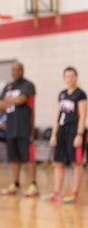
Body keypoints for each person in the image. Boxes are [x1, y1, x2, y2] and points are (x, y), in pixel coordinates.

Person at [42, 67, 87, 204]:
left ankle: (74, 192)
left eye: (72, 76)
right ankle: (56, 192)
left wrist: (79, 134)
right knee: (58, 162)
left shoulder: (80, 94)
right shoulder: (62, 94)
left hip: (74, 130)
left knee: (76, 162)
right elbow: (58, 115)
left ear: (76, 77)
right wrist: (54, 135)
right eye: (67, 76)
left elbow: (83, 116)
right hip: (61, 130)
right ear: (64, 78)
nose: (69, 78)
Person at [0, 61, 38, 197]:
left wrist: (8, 101)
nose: (15, 72)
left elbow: (22, 100)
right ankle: (15, 184)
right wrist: (13, 100)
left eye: (18, 70)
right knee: (13, 157)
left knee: (29, 157)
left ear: (22, 71)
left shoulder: (28, 85)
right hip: (11, 127)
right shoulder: (8, 86)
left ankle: (33, 185)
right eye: (13, 70)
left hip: (25, 127)